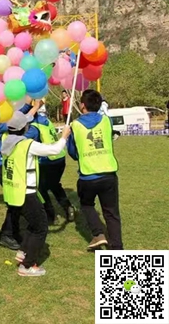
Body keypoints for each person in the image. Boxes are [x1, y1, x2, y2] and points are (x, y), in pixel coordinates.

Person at [1, 111, 71, 277]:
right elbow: (54, 150)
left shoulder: (6, 141)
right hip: (26, 193)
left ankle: (23, 251)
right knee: (41, 227)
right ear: (24, 127)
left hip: (13, 193)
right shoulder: (27, 144)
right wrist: (64, 136)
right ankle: (26, 266)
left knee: (34, 224)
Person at [67, 89, 123, 251]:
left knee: (86, 205)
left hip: (88, 176)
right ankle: (117, 249)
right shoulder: (107, 121)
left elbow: (72, 151)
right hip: (108, 174)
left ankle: (98, 233)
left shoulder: (75, 125)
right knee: (111, 213)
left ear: (82, 105)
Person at [0, 100, 40, 250]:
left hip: (7, 163)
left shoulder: (0, 119)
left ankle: (12, 232)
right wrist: (34, 108)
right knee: (15, 202)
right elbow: (17, 122)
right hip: (1, 165)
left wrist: (28, 104)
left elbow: (17, 116)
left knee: (15, 201)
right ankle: (8, 234)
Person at [25, 102, 75, 224]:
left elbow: (24, 141)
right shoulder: (45, 120)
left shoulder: (33, 127)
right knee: (54, 185)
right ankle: (68, 208)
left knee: (41, 189)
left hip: (48, 160)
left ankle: (50, 216)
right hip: (59, 158)